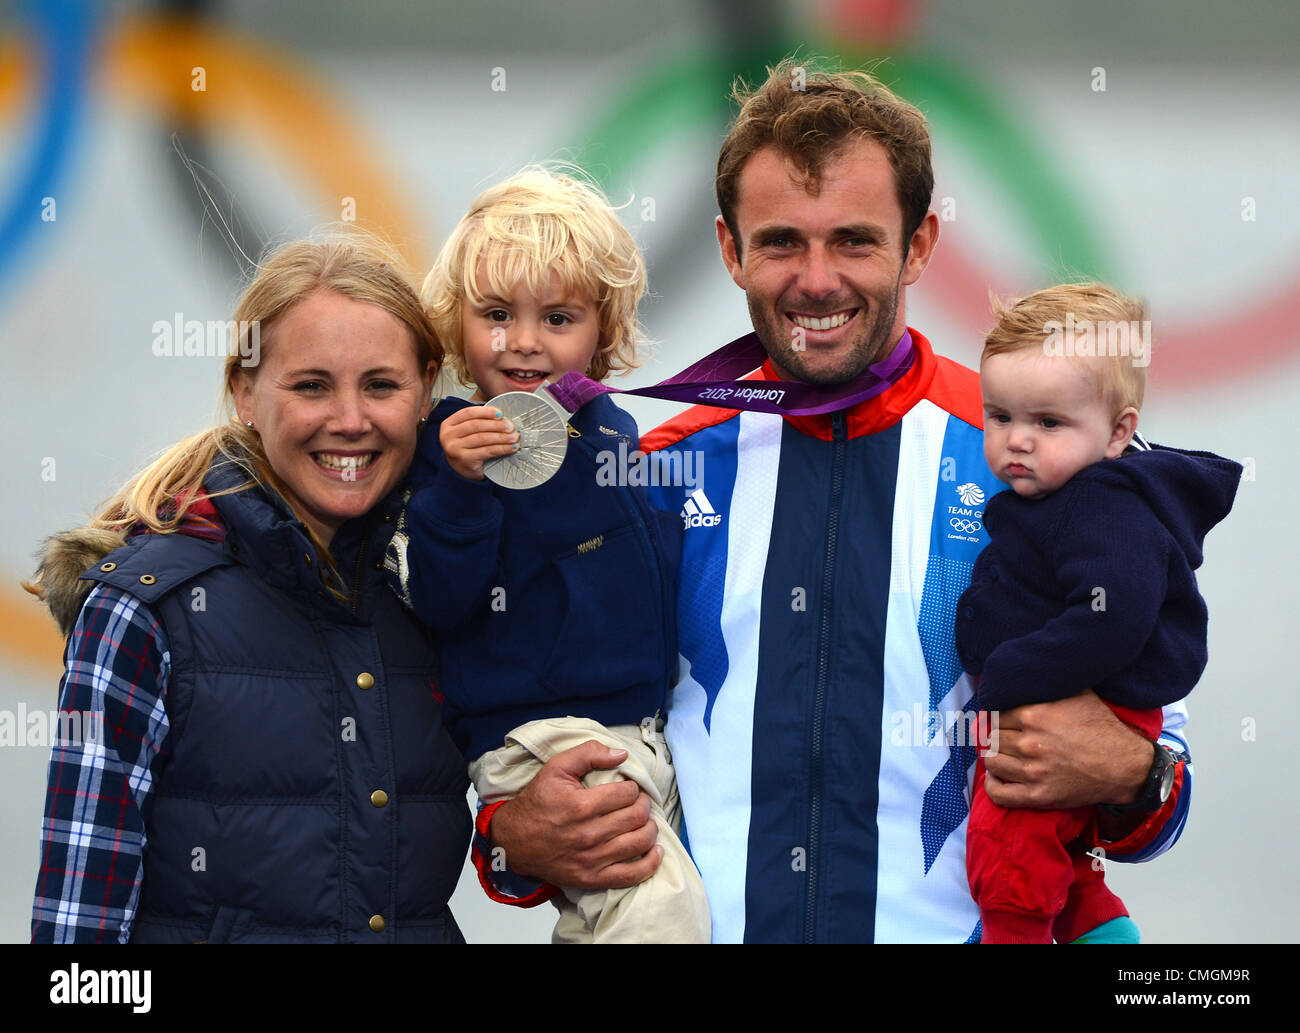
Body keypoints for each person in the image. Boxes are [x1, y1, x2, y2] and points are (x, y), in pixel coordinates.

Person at [476, 59, 1198, 943]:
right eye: (781, 241)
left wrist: (1134, 772)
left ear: (921, 244)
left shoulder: (1039, 459)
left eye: (854, 240)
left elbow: (1158, 762)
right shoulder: (658, 473)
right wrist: (512, 837)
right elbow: (535, 695)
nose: (817, 280)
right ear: (730, 249)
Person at [26, 233, 471, 943]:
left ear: (424, 392)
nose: (350, 420)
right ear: (245, 392)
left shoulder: (446, 589)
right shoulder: (141, 610)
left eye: (381, 385)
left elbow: (525, 819)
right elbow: (77, 939)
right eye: (311, 385)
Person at [385, 168, 709, 942]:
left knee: (640, 906)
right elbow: (438, 596)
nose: (524, 340)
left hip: (642, 728)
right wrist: (461, 488)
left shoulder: (612, 431)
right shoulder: (453, 446)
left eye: (558, 316)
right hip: (542, 732)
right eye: (496, 314)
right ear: (457, 325)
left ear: (604, 328)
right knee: (663, 913)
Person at [955, 283, 1240, 943]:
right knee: (1065, 856)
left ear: (1119, 432)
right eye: (999, 417)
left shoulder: (1107, 509)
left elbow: (1112, 620)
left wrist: (1009, 675)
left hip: (1082, 718)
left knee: (1010, 850)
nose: (1017, 441)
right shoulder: (1067, 494)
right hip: (1081, 711)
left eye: (1048, 423)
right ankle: (1102, 928)